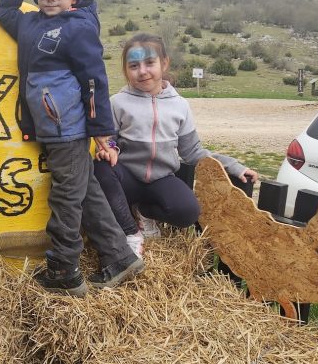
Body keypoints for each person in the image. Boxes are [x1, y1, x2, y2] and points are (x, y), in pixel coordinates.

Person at [0, 0, 144, 297]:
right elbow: (4, 11)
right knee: (85, 190)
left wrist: (101, 131)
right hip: (50, 126)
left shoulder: (78, 27)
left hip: (68, 127)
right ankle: (120, 256)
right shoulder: (30, 25)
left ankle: (63, 268)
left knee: (65, 197)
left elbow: (95, 81)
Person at [94, 33, 259, 257]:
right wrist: (110, 149)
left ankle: (143, 211)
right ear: (126, 70)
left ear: (164, 63)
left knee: (188, 212)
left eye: (149, 63)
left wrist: (234, 167)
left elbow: (193, 152)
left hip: (161, 180)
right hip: (127, 179)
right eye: (134, 65)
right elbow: (110, 138)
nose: (142, 71)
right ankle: (131, 233)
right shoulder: (117, 102)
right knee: (101, 169)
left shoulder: (180, 106)